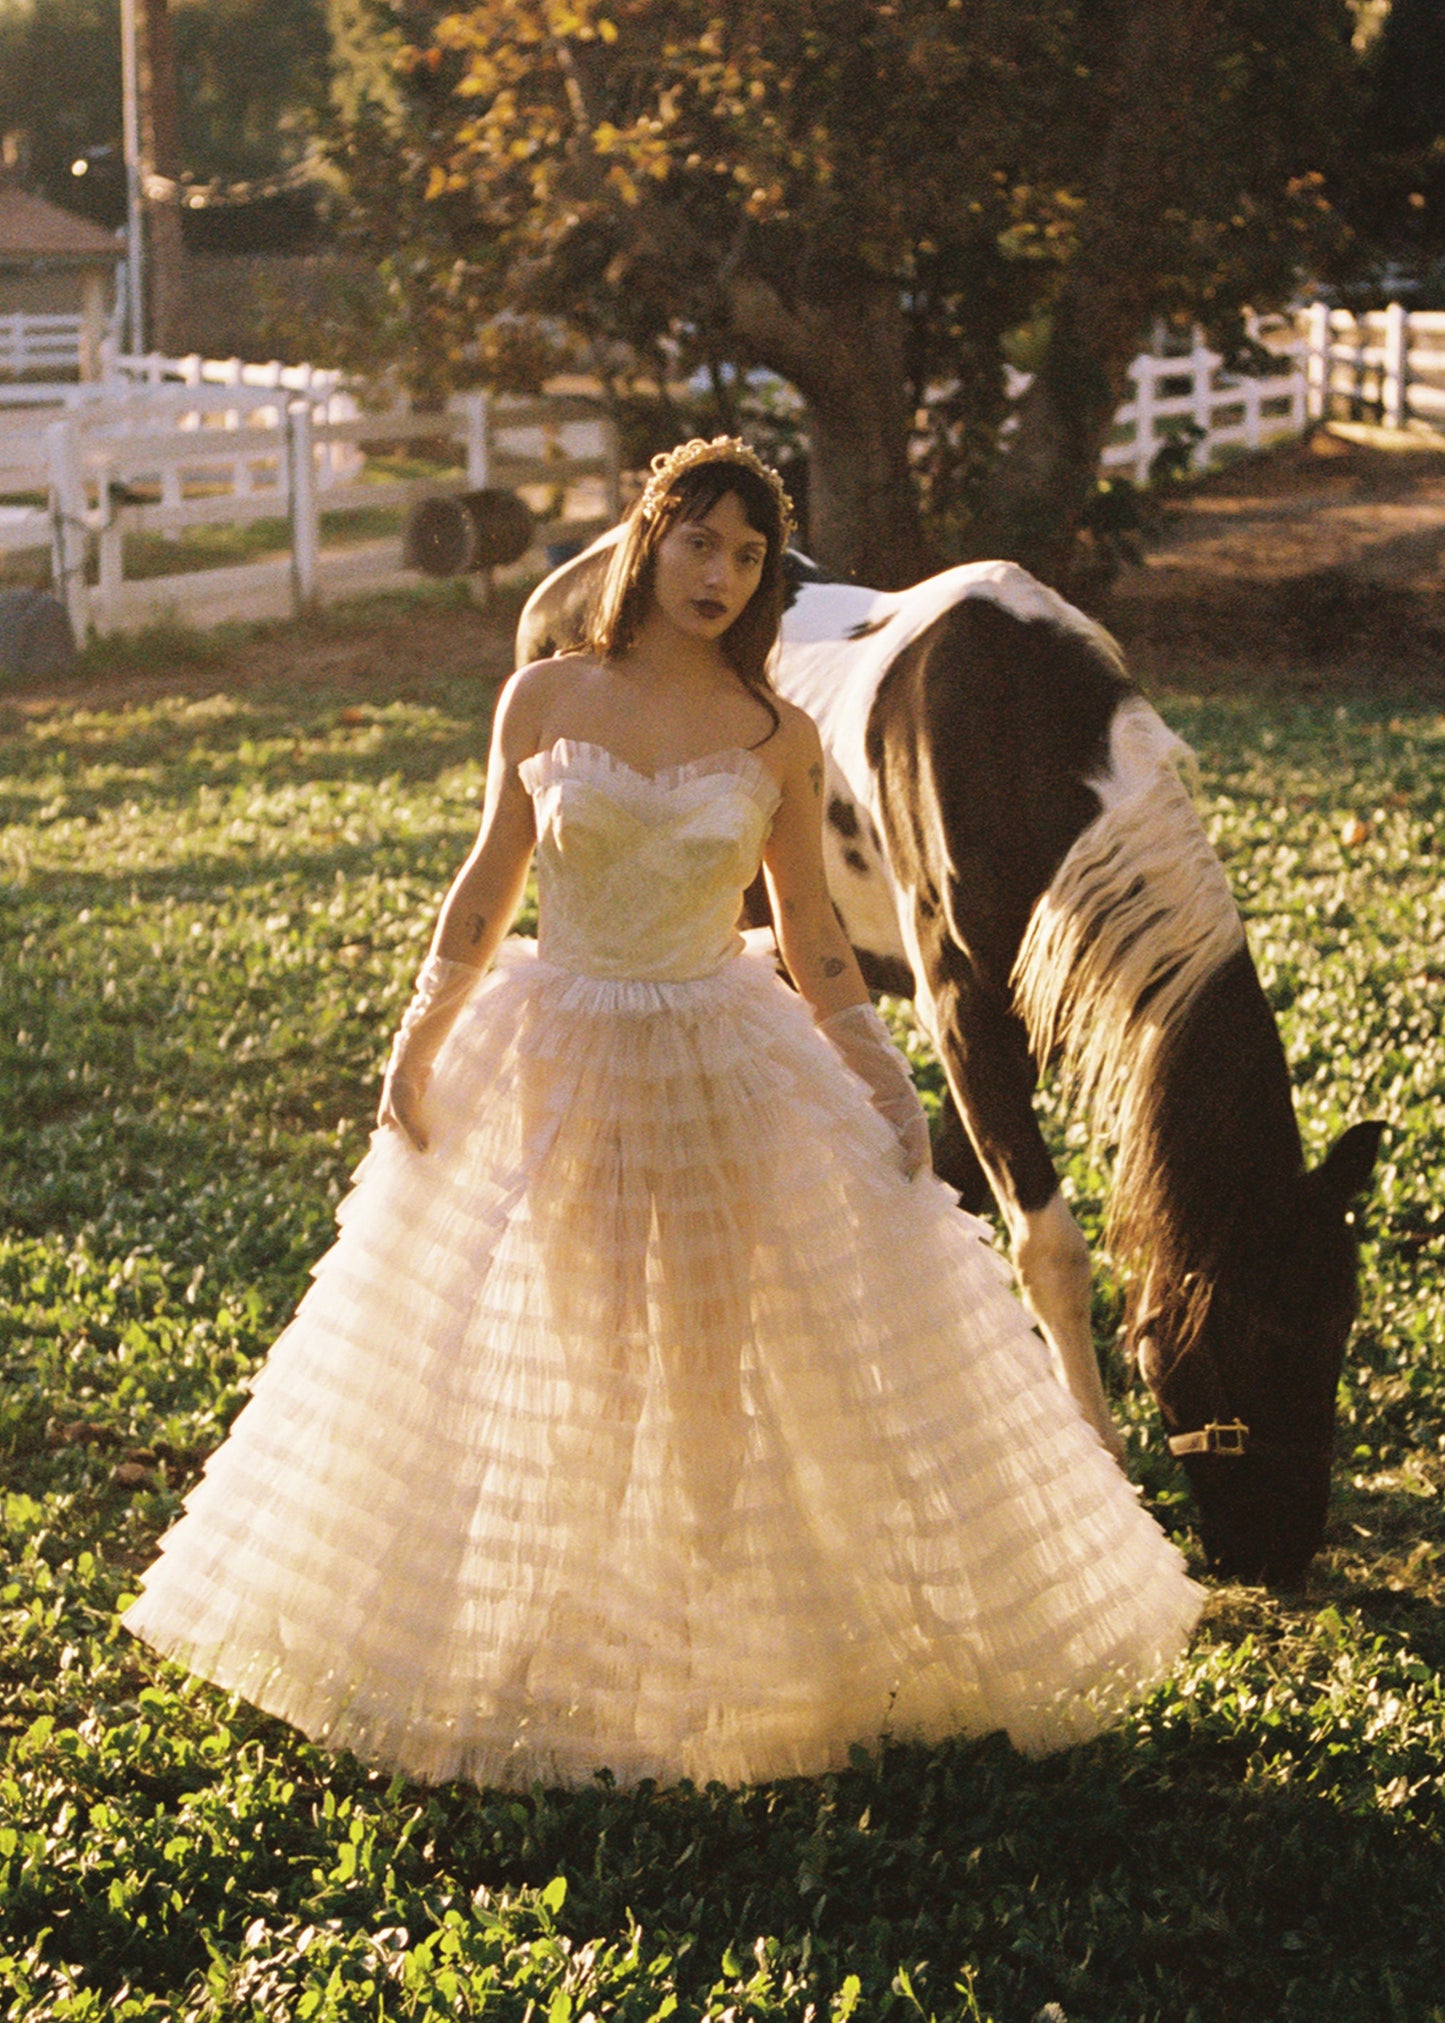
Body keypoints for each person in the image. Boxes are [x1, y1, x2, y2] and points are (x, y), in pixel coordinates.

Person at [123, 437, 1202, 1790]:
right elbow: (486, 881)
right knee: (563, 1339)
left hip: (717, 1058)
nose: (721, 573)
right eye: (701, 541)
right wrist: (420, 1030)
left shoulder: (774, 734)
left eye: (748, 556)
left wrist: (879, 1080)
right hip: (556, 1049)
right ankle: (555, 1625)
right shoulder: (544, 695)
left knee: (703, 1348)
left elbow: (810, 934)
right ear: (652, 537)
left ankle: (719, 1633)